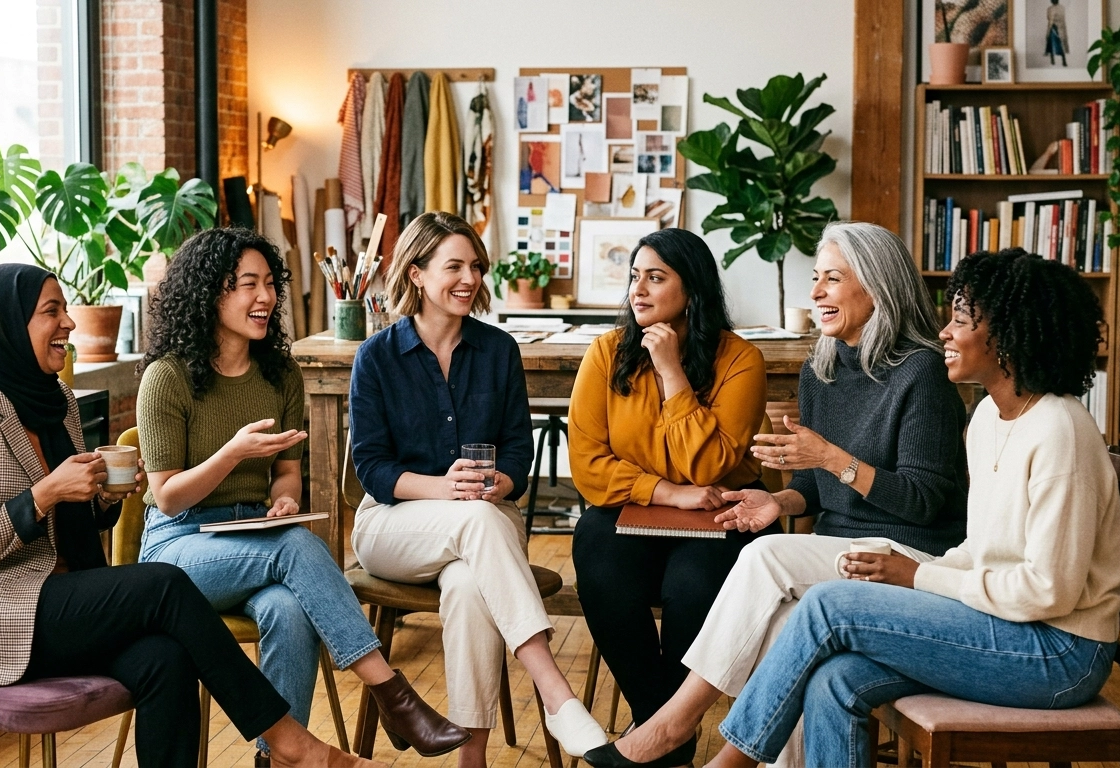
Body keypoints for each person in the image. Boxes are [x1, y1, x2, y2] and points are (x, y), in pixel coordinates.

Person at [0, 264, 381, 768]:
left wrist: (103, 498)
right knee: (164, 584)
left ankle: (287, 747)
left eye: (66, 308)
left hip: (62, 600)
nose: (68, 322)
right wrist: (43, 495)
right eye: (52, 311)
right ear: (5, 324)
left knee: (167, 658)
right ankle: (292, 743)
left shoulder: (55, 398)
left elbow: (68, 523)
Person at [689, 248, 1120, 768]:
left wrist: (920, 577)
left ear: (1006, 336)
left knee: (829, 605)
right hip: (1005, 624)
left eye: (961, 319)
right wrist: (919, 573)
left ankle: (728, 763)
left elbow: (1048, 591)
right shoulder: (989, 416)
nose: (944, 332)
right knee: (835, 678)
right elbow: (983, 550)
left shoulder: (1060, 431)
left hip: (1059, 653)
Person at [584, 222, 969, 768]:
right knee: (782, 631)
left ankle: (672, 725)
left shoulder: (921, 372)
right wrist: (779, 502)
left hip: (906, 557)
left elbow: (924, 500)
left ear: (878, 286)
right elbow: (811, 488)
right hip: (835, 555)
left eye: (831, 279)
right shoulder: (823, 370)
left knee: (765, 556)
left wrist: (833, 458)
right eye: (816, 278)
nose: (815, 293)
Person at [136, 228, 469, 760]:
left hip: (252, 537)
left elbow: (287, 474)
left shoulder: (279, 373)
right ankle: (393, 695)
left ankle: (277, 758)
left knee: (290, 609)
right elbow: (169, 497)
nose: (265, 297)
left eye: (270, 283)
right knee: (295, 547)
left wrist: (285, 500)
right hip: (179, 550)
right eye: (248, 284)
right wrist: (233, 453)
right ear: (209, 292)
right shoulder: (167, 378)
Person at [348, 211, 609, 767]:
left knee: (469, 585)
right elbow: (371, 468)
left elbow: (519, 449)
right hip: (393, 523)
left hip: (485, 519)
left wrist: (501, 482)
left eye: (476, 266)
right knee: (476, 523)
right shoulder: (376, 358)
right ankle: (553, 686)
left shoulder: (497, 350)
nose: (469, 278)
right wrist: (444, 488)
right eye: (454, 266)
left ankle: (474, 760)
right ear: (415, 273)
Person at [566, 227, 771, 764]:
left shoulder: (740, 361)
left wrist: (673, 371)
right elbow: (588, 466)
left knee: (692, 587)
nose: (639, 289)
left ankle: (656, 736)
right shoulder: (607, 353)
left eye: (656, 278)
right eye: (635, 277)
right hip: (636, 508)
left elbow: (713, 466)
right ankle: (664, 727)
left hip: (726, 511)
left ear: (692, 289)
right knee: (599, 562)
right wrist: (668, 492)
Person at [1046, 0, 1069, 66]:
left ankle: (1054, 61)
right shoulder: (1062, 8)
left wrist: (1048, 30)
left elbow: (1049, 19)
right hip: (1059, 28)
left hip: (1054, 28)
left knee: (1053, 44)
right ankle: (1062, 61)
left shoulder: (1050, 9)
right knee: (1058, 44)